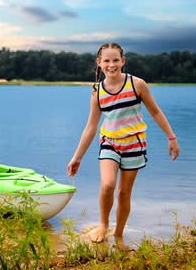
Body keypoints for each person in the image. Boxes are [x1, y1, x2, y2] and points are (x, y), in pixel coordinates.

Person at [67, 42, 179, 246]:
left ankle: (118, 234)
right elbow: (91, 127)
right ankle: (103, 225)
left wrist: (171, 137)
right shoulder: (97, 92)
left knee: (124, 192)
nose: (112, 65)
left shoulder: (137, 84)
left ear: (123, 61)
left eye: (116, 60)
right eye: (107, 61)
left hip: (134, 145)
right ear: (99, 63)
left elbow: (155, 112)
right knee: (108, 184)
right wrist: (77, 157)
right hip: (109, 143)